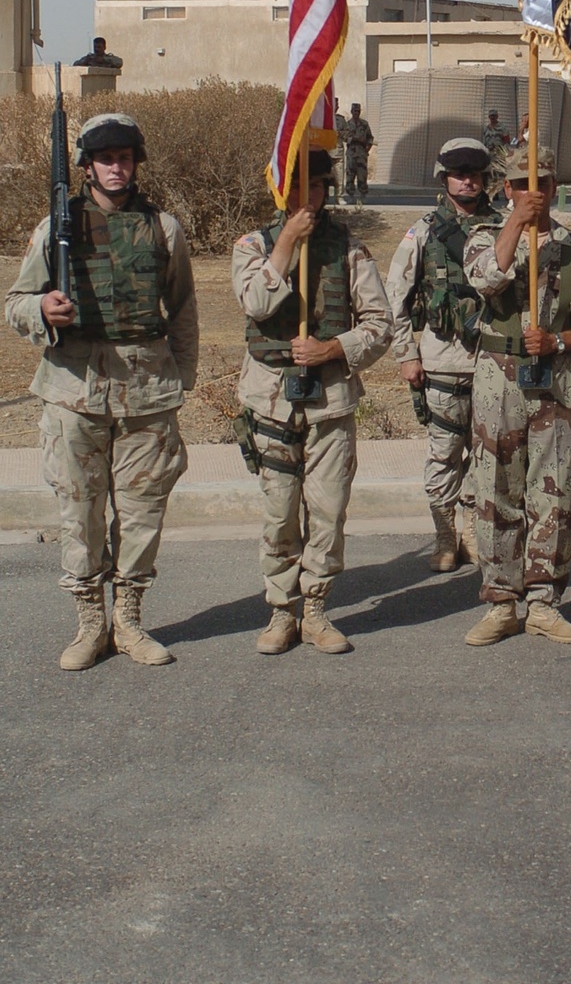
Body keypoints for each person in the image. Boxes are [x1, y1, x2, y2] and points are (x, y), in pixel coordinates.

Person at [5, 113, 198, 670]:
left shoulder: (165, 229)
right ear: (87, 166)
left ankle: (129, 620)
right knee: (80, 509)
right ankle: (90, 622)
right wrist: (41, 308)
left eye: (126, 158)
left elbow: (183, 310)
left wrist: (180, 378)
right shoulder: (55, 227)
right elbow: (16, 301)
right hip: (72, 390)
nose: (118, 168)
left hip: (147, 389)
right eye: (106, 159)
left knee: (141, 512)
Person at [231, 148, 392, 655]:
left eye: (319, 186)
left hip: (330, 402)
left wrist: (333, 348)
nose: (310, 197)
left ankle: (317, 608)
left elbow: (380, 325)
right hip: (271, 400)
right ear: (282, 190)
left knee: (327, 511)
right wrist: (284, 246)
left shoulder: (348, 249)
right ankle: (282, 611)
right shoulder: (252, 245)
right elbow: (255, 303)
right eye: (300, 187)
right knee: (280, 513)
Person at [462, 143, 571, 646]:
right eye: (523, 184)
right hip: (499, 380)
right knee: (495, 492)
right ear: (506, 189)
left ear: (556, 188)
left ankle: (545, 601)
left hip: (555, 378)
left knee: (553, 492)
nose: (535, 192)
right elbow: (484, 279)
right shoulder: (482, 237)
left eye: (544, 184)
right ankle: (501, 601)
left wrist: (559, 340)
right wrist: (515, 225)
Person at [385, 139, 501, 572]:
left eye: (475, 173)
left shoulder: (505, 227)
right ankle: (445, 533)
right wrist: (406, 354)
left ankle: (472, 527)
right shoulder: (424, 231)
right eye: (459, 174)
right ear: (445, 179)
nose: (467, 180)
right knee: (444, 452)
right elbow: (396, 297)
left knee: (487, 452)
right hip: (442, 360)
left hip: (494, 362)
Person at [342, 102, 374, 206]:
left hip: (361, 154)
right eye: (355, 111)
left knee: (362, 176)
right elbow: (345, 137)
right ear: (351, 112)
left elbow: (370, 138)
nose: (356, 113)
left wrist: (367, 149)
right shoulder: (347, 124)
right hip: (351, 153)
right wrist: (356, 138)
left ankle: (362, 196)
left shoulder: (364, 124)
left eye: (358, 111)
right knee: (350, 175)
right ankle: (350, 196)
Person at [330, 96, 349, 206]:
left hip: (338, 153)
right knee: (324, 177)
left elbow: (347, 135)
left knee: (340, 177)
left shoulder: (341, 120)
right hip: (326, 153)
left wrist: (339, 134)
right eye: (334, 104)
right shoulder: (323, 119)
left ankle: (339, 197)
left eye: (337, 105)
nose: (336, 107)